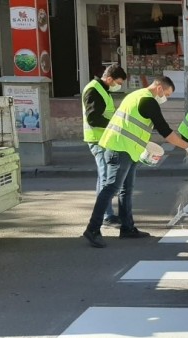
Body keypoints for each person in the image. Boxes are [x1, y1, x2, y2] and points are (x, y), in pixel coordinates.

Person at [82, 76, 188, 248]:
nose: (165, 99)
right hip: (119, 148)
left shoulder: (134, 95)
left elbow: (132, 126)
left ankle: (127, 228)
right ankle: (92, 229)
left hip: (127, 149)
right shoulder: (148, 101)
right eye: (166, 94)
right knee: (111, 188)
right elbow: (166, 132)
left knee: (126, 190)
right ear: (159, 88)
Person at [82, 64, 127, 227]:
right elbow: (93, 119)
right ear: (109, 79)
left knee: (104, 176)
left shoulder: (102, 89)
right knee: (106, 178)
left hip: (103, 139)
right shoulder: (94, 89)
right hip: (98, 140)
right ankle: (107, 216)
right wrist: (115, 126)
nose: (119, 86)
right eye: (118, 83)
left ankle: (106, 213)